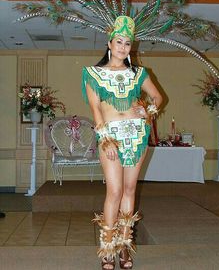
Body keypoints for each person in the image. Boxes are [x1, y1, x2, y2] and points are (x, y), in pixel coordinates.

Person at [82, 15, 162, 270]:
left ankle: (125, 247)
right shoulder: (92, 73)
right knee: (114, 191)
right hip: (111, 137)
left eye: (127, 43)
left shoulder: (139, 73)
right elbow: (96, 110)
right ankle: (107, 248)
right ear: (109, 43)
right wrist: (105, 140)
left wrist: (147, 110)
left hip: (137, 136)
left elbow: (158, 97)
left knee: (129, 190)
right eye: (119, 42)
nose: (123, 47)